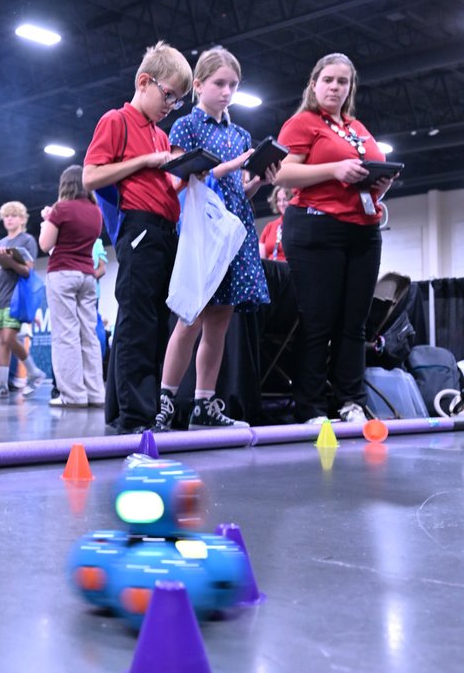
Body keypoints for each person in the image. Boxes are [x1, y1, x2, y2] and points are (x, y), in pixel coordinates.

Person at [156, 47, 277, 431]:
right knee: (189, 318)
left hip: (235, 231)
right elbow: (180, 180)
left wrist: (257, 179)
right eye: (219, 83)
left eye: (233, 86)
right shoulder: (186, 127)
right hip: (201, 231)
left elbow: (239, 191)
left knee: (219, 323)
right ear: (198, 86)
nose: (227, 92)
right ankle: (166, 400)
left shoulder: (241, 133)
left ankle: (204, 404)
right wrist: (235, 164)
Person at [276, 52, 398, 424]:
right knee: (318, 319)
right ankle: (310, 405)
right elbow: (282, 174)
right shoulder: (302, 123)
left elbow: (363, 179)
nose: (335, 87)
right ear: (314, 84)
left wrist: (383, 184)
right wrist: (334, 169)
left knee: (355, 323)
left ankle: (351, 400)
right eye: (328, 79)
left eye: (342, 81)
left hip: (363, 228)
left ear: (350, 88)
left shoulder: (357, 127)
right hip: (316, 226)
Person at [82, 40, 193, 434]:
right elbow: (91, 176)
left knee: (158, 322)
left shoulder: (160, 136)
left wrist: (187, 176)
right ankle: (133, 414)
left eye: (178, 101)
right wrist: (145, 161)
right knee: (137, 322)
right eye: (168, 95)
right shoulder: (117, 120)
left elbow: (157, 186)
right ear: (144, 82)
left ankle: (142, 410)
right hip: (139, 228)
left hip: (164, 229)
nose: (170, 106)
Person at [38, 165, 105, 408]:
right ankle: (96, 393)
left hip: (62, 273)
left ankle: (73, 395)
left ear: (65, 184)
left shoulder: (60, 209)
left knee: (66, 335)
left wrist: (47, 220)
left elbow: (46, 244)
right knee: (89, 334)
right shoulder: (96, 212)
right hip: (87, 276)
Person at [0, 201, 46, 400]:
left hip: (15, 297)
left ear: (22, 218)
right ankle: (1, 384)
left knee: (10, 338)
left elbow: (27, 271)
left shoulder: (27, 240)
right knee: (1, 342)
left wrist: (10, 261)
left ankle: (34, 372)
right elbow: (0, 271)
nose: (9, 219)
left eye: (14, 215)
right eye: (6, 216)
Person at [259, 187, 288, 262]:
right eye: (279, 200)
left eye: (285, 199)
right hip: (272, 270)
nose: (282, 204)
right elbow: (261, 259)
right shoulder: (270, 226)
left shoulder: (300, 225)